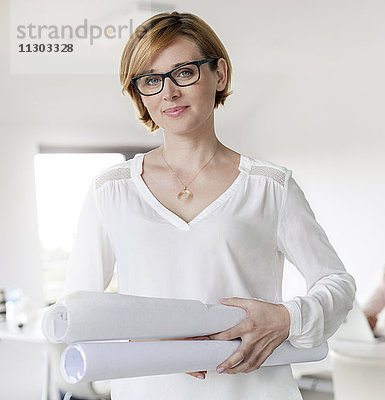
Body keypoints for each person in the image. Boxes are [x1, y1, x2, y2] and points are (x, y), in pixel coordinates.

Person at [62, 12, 356, 400]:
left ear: (219, 74)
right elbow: (77, 313)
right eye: (151, 80)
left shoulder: (270, 186)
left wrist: (287, 318)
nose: (169, 92)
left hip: (256, 390)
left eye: (184, 72)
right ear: (140, 94)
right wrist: (148, 340)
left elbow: (338, 284)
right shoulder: (110, 192)